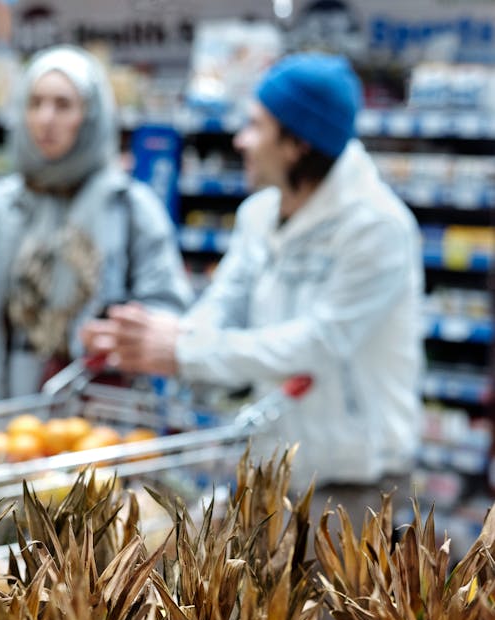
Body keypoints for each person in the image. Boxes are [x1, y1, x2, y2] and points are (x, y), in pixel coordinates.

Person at [82, 51, 425, 531]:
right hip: (271, 469)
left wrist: (185, 350)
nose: (240, 141)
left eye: (256, 126)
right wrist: (149, 340)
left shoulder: (377, 228)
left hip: (353, 485)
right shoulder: (258, 215)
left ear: (296, 143)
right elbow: (222, 305)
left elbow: (320, 342)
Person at [0, 44, 191, 405]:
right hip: (2, 406)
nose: (46, 118)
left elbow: (168, 312)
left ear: (91, 116)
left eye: (63, 105)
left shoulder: (130, 209)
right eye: (35, 103)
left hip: (99, 417)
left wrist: (122, 331)